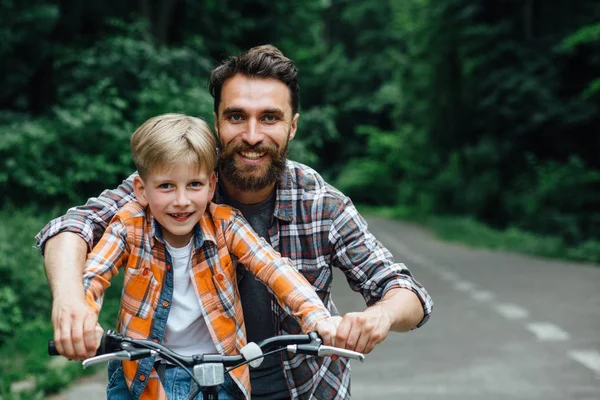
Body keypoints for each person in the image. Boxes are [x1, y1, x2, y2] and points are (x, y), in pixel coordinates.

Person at [37, 45, 433, 399]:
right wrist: (73, 302)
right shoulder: (178, 186)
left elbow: (406, 291)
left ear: (292, 126)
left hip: (306, 391)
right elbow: (73, 228)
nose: (252, 134)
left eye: (270, 118)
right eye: (237, 116)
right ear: (217, 123)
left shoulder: (319, 202)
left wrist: (376, 317)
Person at [80, 113, 339, 399]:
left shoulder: (226, 225)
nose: (182, 200)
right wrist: (81, 320)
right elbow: (95, 272)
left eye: (194, 185)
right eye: (166, 186)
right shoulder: (129, 225)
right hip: (141, 374)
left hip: (218, 376)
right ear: (142, 190)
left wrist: (316, 317)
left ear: (211, 186)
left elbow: (273, 266)